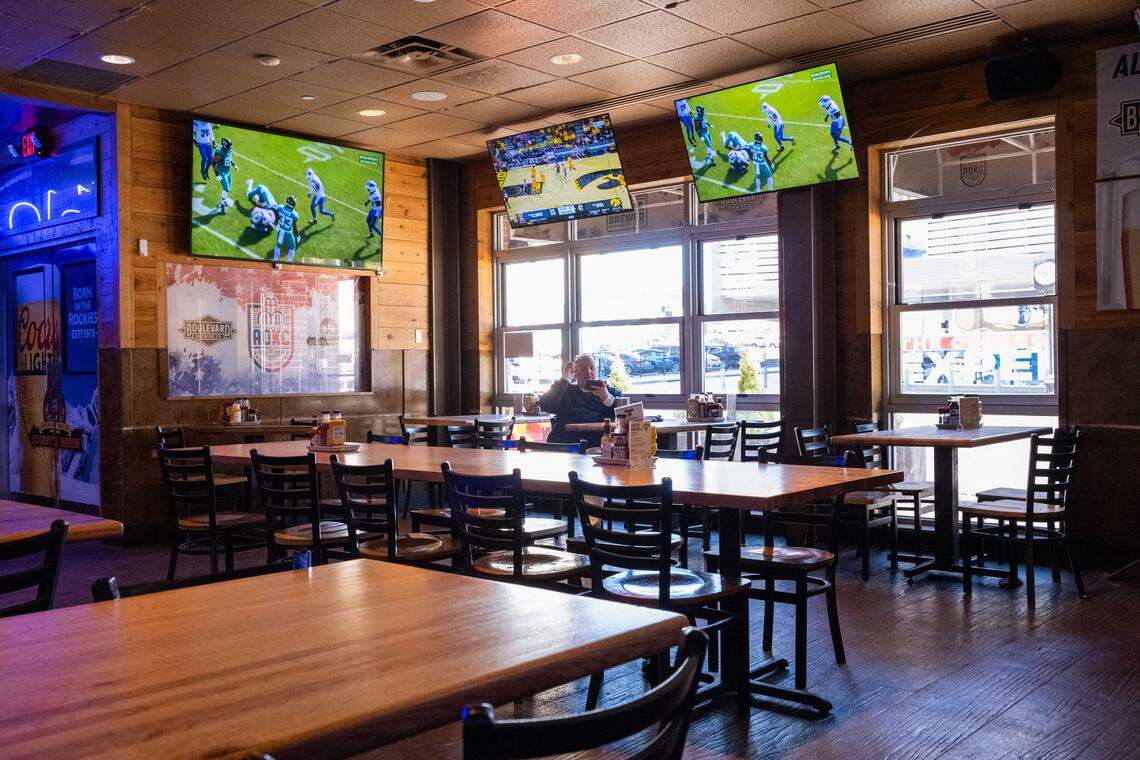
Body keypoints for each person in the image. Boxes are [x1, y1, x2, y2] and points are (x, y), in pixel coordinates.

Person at [540, 354, 623, 445]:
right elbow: (545, 405)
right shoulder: (564, 390)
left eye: (592, 368)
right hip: (567, 444)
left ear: (597, 371)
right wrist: (565, 379)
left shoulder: (609, 391)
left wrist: (608, 399)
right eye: (583, 369)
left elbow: (626, 413)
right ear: (575, 373)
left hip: (600, 444)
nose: (588, 372)